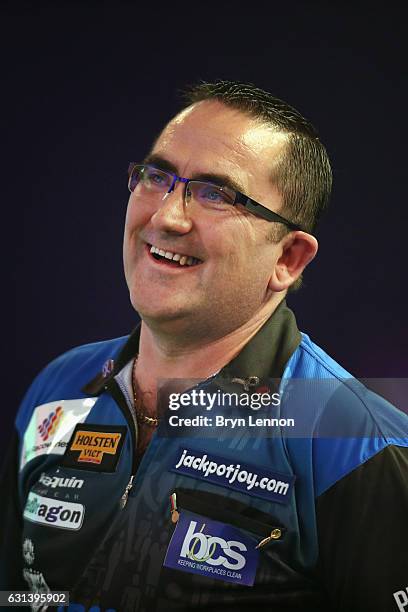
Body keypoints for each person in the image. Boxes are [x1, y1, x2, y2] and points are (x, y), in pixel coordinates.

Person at [1, 80, 407, 612]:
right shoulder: (59, 384)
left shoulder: (353, 442)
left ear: (289, 259)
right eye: (157, 176)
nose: (166, 216)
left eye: (217, 194)